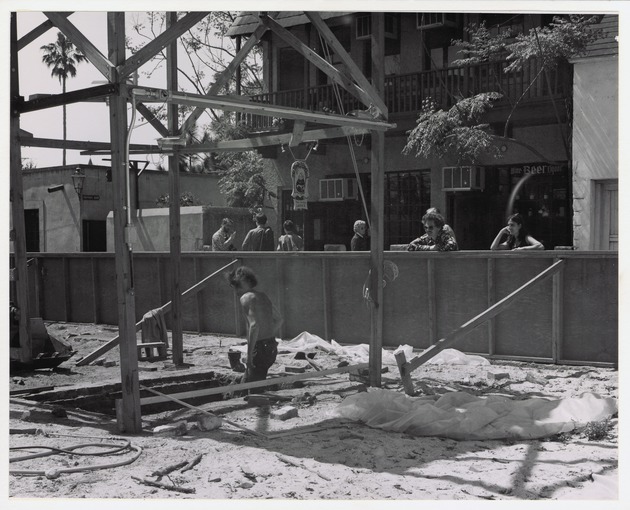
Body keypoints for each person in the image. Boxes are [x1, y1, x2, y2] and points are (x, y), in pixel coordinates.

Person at [227, 266, 283, 384]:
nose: (235, 293)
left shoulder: (246, 298)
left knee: (252, 389)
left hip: (260, 350)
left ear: (239, 284)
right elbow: (279, 320)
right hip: (271, 348)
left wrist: (249, 355)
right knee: (251, 383)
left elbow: (254, 326)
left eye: (235, 288)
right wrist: (268, 336)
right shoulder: (263, 296)